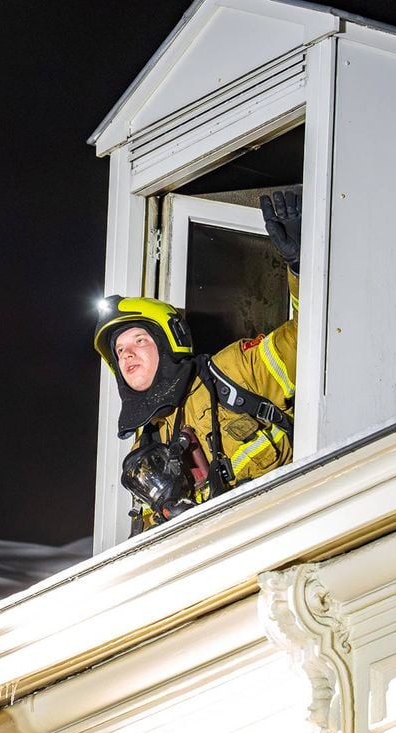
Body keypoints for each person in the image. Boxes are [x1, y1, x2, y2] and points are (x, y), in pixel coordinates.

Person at [92, 190, 302, 529]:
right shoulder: (148, 444)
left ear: (169, 341)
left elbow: (312, 339)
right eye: (119, 351)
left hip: (287, 528)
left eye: (140, 340)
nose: (127, 353)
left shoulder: (234, 372)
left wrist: (300, 265)